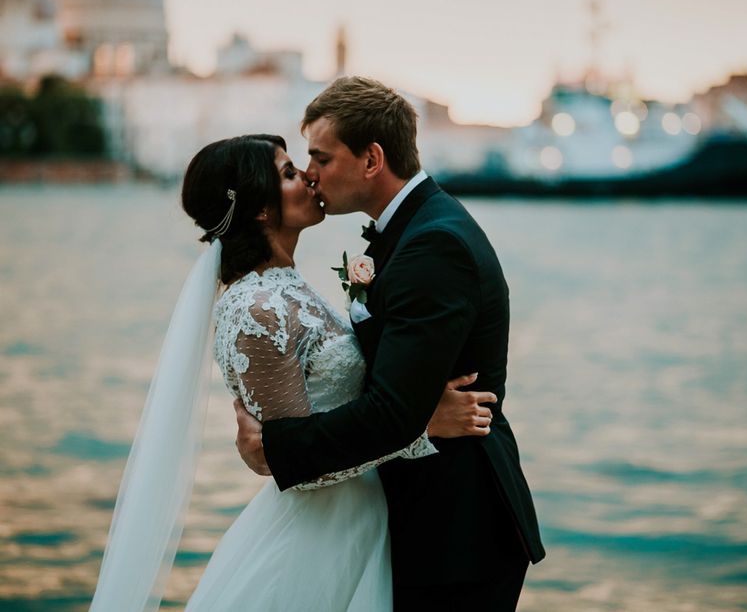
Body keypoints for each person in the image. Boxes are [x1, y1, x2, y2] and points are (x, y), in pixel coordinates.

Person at [89, 133, 490, 612]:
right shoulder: (255, 309)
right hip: (317, 538)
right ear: (260, 208)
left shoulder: (284, 286)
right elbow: (298, 468)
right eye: (288, 172)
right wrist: (420, 425)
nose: (308, 176)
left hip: (357, 521)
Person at [234, 77, 546, 610]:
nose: (311, 173)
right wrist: (421, 414)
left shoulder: (433, 245)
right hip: (425, 517)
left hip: (457, 531)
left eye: (322, 158)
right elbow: (398, 397)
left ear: (372, 159)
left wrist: (274, 447)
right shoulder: (411, 230)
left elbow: (390, 414)